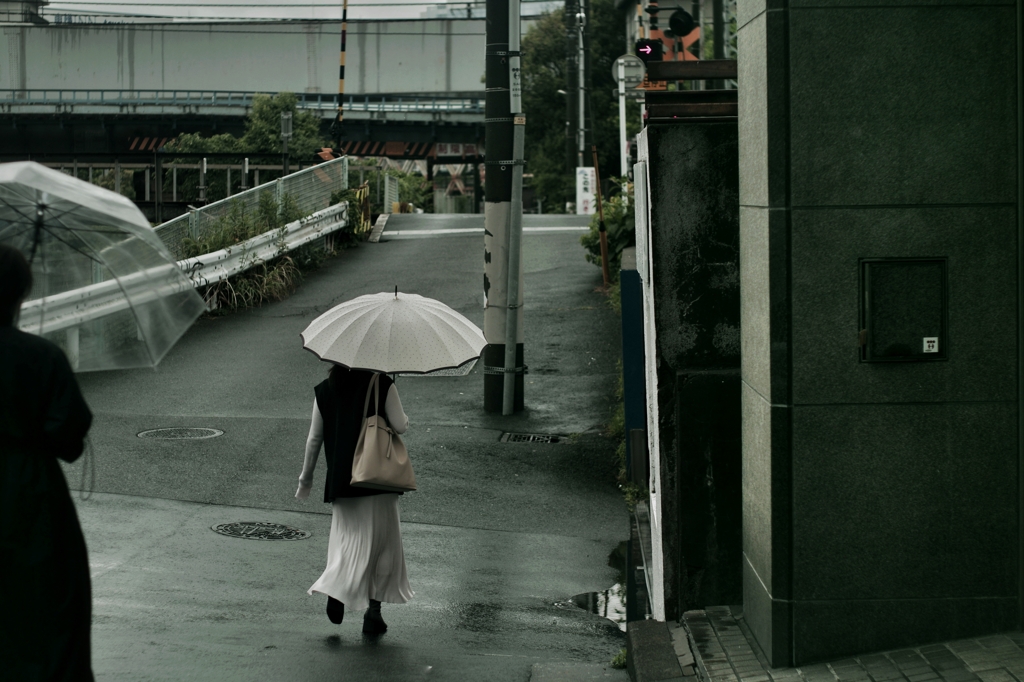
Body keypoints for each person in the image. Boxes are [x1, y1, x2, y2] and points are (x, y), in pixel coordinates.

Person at [0, 244, 95, 680]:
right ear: (22, 293)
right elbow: (70, 439)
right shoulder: (43, 358)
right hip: (32, 496)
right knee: (47, 609)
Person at [295, 364, 413, 634]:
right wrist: (403, 416)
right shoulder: (382, 384)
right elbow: (400, 426)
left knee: (346, 543)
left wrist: (306, 479)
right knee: (382, 547)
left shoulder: (325, 389)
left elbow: (314, 438)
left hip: (341, 481)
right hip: (377, 480)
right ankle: (374, 613)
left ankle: (337, 590)